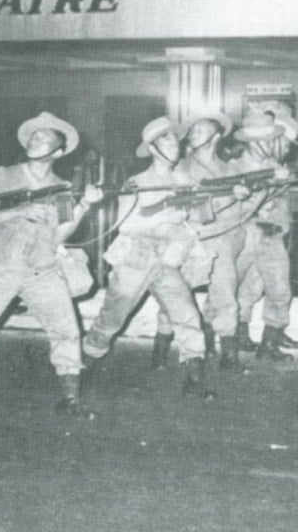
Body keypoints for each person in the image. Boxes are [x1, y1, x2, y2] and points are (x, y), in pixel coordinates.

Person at [0, 112, 104, 417]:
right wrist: (16, 212)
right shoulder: (3, 175)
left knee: (67, 330)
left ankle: (70, 400)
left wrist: (85, 206)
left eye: (44, 138)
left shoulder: (62, 187)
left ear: (58, 151)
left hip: (41, 269)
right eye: (33, 136)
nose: (35, 140)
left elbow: (60, 234)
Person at [82, 117, 214, 399]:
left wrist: (199, 204)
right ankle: (86, 366)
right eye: (166, 140)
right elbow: (126, 225)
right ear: (152, 148)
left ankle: (195, 379)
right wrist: (166, 213)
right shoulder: (137, 182)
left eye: (175, 139)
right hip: (137, 257)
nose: (174, 145)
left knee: (188, 315)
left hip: (168, 259)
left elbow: (204, 217)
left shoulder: (186, 180)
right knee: (112, 317)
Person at [154, 112, 250, 373]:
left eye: (201, 130)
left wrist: (239, 197)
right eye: (192, 131)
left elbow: (240, 212)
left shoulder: (230, 169)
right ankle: (159, 351)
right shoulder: (180, 167)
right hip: (189, 239)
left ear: (216, 136)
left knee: (225, 296)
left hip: (220, 239)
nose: (193, 134)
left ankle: (228, 356)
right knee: (174, 296)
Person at [233, 112, 298, 361]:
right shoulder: (236, 168)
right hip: (247, 234)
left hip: (271, 236)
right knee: (242, 290)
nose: (278, 148)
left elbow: (286, 205)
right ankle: (235, 338)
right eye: (274, 141)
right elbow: (236, 204)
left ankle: (268, 344)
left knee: (279, 290)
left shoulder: (275, 168)